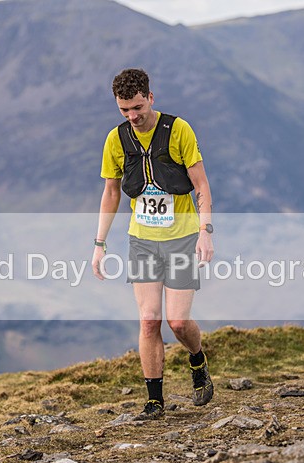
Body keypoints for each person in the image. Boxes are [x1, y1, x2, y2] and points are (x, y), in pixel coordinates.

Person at [92, 68, 215, 421]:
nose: (132, 116)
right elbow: (111, 192)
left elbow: (201, 184)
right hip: (142, 240)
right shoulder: (115, 140)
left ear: (151, 97)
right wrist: (99, 244)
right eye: (124, 110)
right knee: (149, 320)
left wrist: (205, 230)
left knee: (177, 322)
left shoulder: (178, 130)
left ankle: (197, 359)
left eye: (137, 108)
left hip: (181, 237)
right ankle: (154, 400)